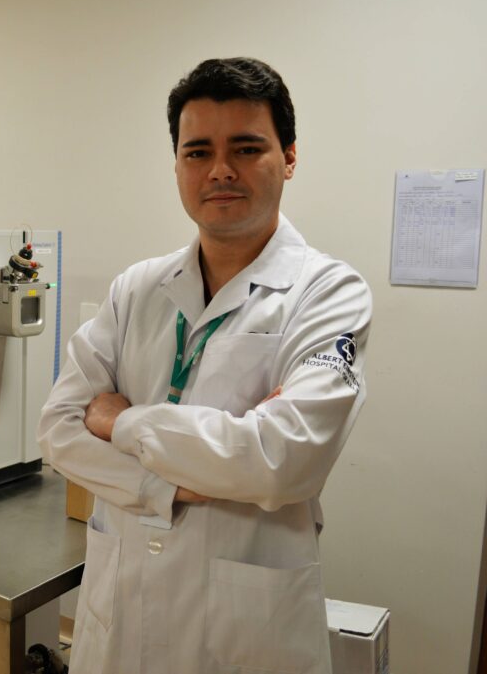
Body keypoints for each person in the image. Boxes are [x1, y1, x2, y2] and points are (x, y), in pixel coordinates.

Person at [38, 57, 372, 674]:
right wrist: (184, 480)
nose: (220, 170)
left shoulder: (328, 294)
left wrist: (124, 424)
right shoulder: (135, 289)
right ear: (177, 166)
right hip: (120, 616)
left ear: (289, 157)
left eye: (246, 147)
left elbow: (283, 460)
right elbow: (59, 430)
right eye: (198, 152)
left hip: (249, 634)